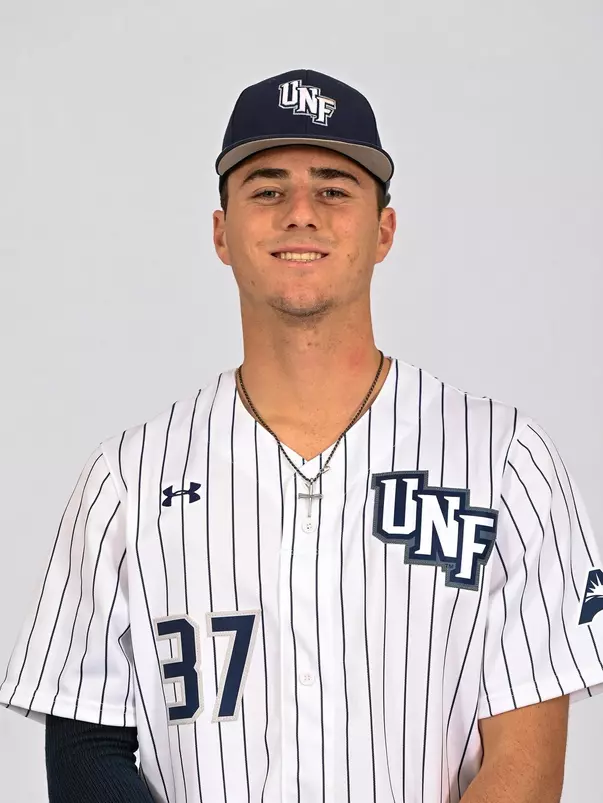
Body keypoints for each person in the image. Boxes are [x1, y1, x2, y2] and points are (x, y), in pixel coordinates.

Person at [1, 67, 602, 803]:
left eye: (332, 188)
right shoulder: (126, 482)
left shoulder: (505, 465)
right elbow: (85, 746)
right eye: (266, 189)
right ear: (222, 232)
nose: (299, 212)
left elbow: (525, 767)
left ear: (382, 230)